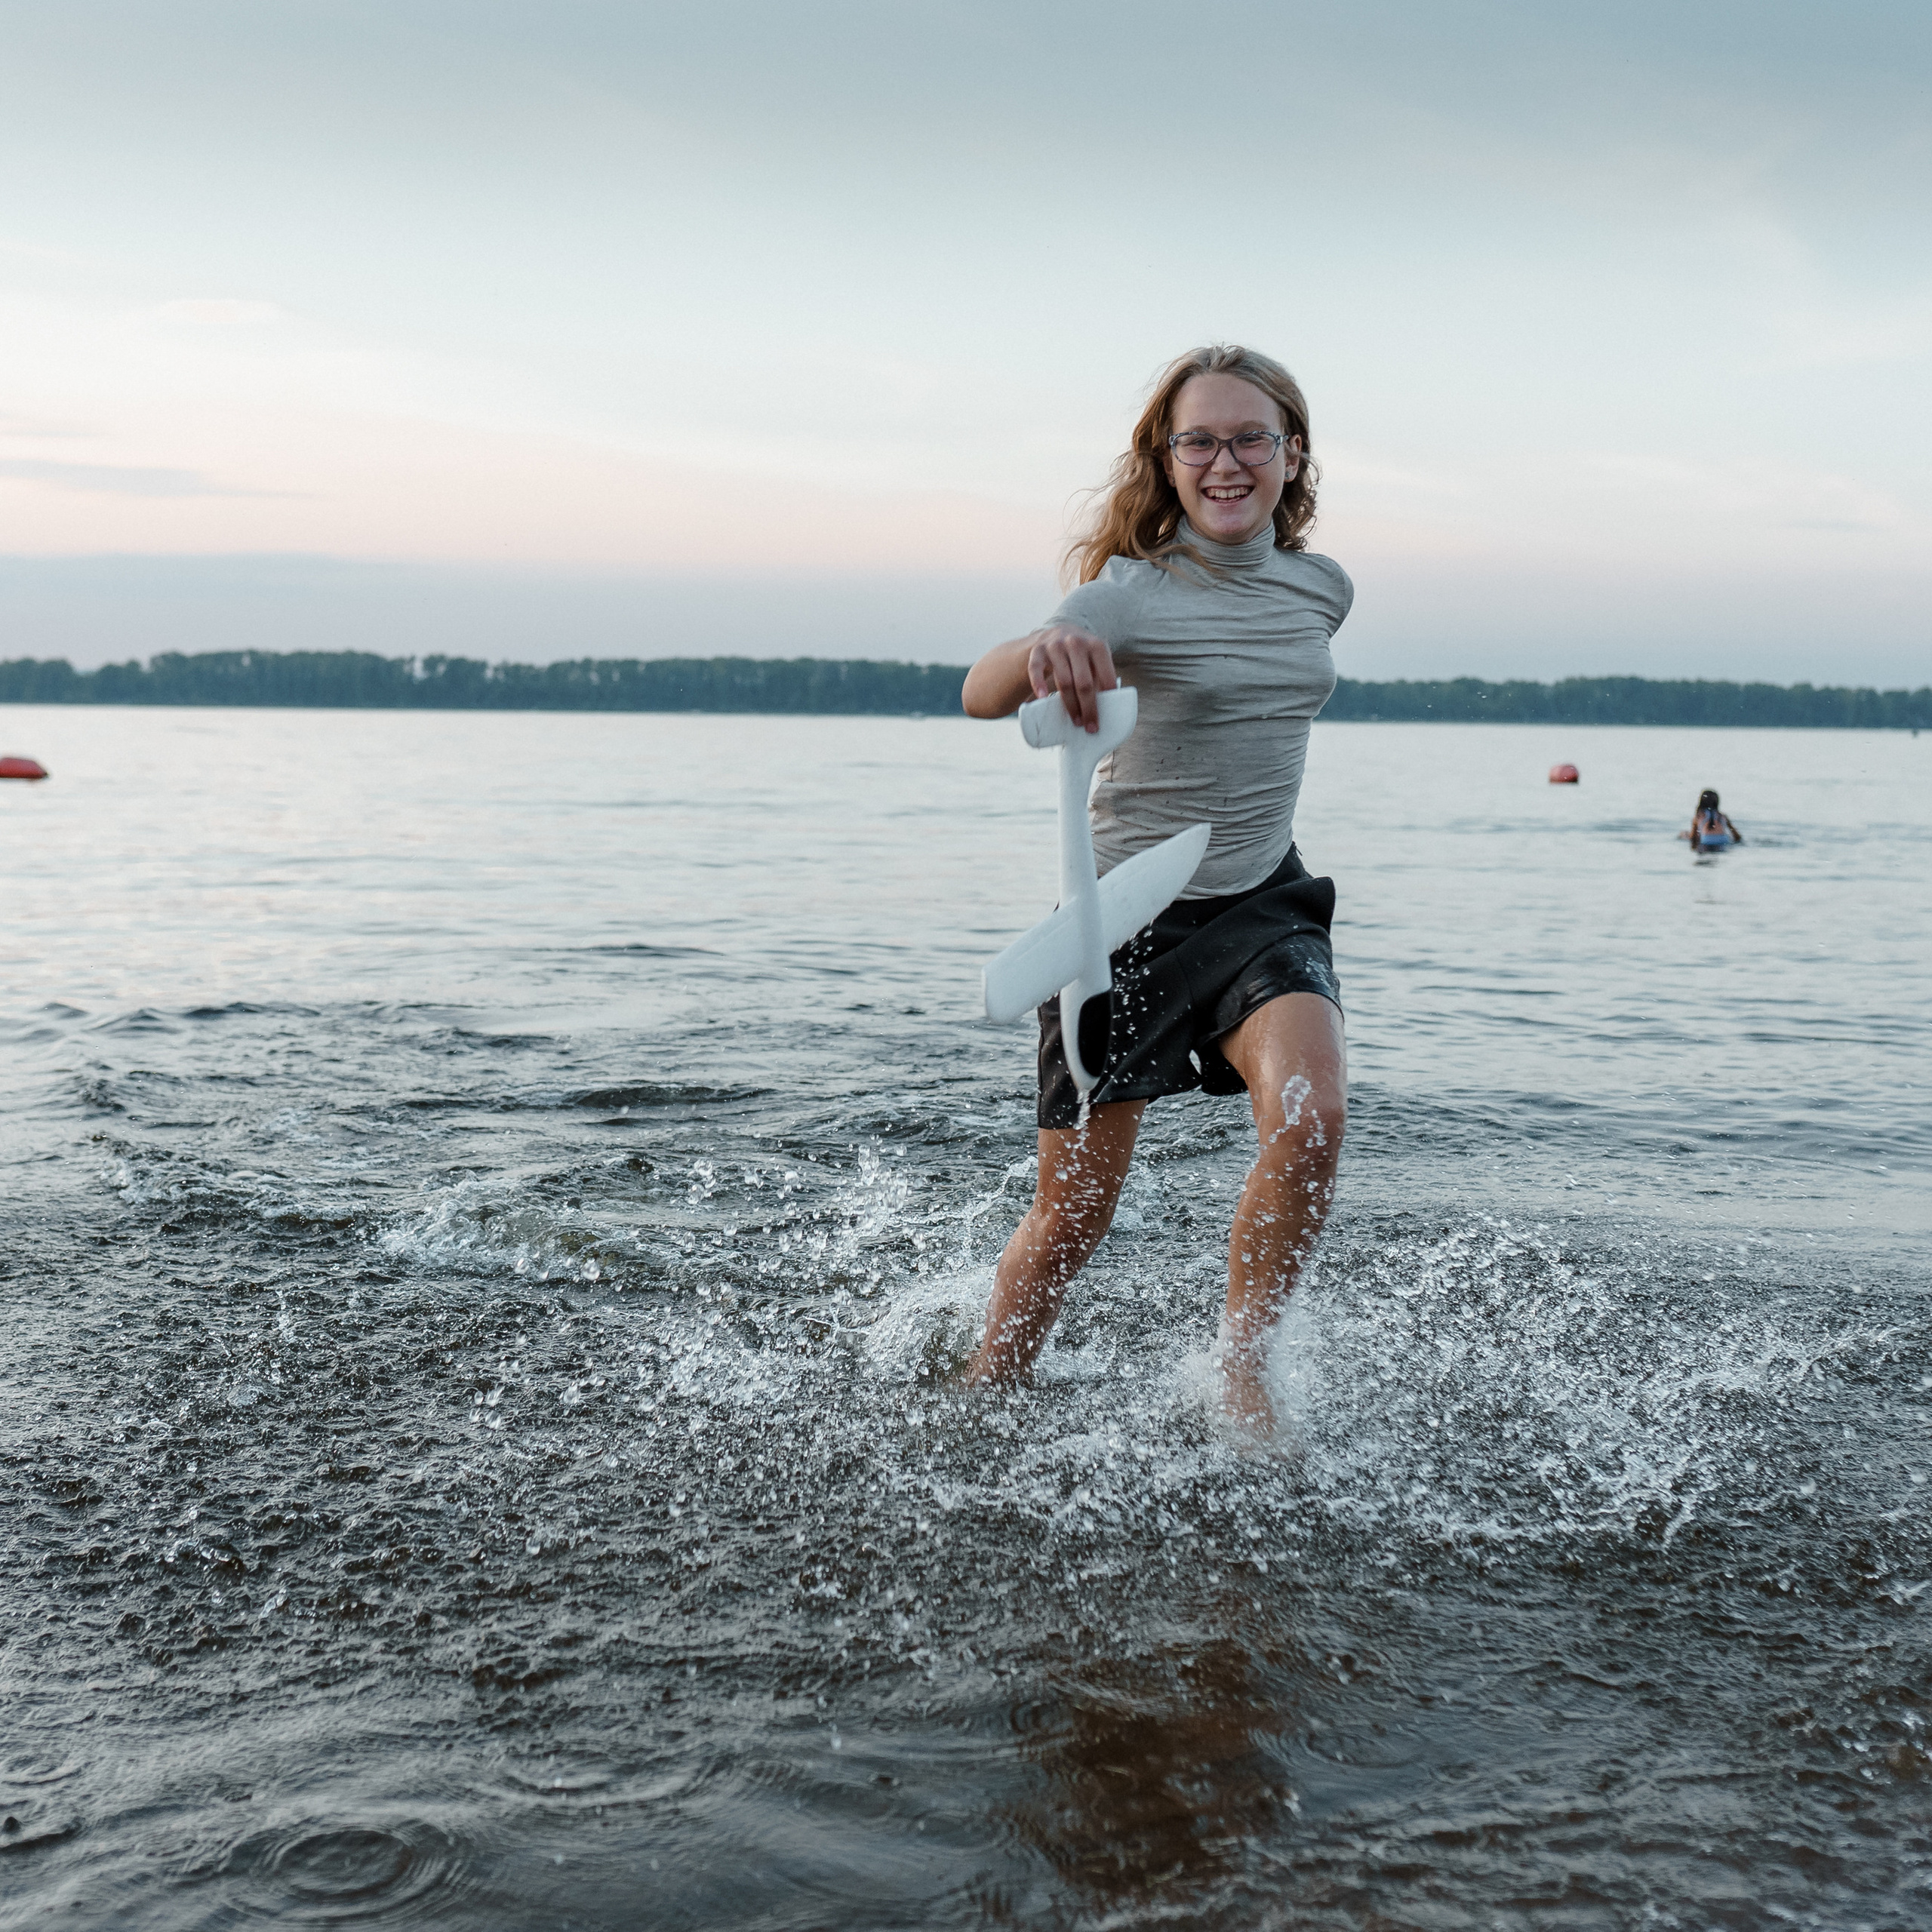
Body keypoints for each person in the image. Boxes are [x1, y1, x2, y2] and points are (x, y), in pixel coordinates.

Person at [959, 343, 1352, 1437]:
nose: (1225, 462)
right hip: (1123, 919)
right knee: (1075, 1216)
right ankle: (990, 1386)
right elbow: (979, 690)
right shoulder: (1126, 595)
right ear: (1167, 461)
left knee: (1312, 1120)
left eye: (1249, 439)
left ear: (1291, 454)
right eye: (1200, 441)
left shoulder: (1324, 588)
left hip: (1262, 898)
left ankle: (1242, 1371)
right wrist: (1053, 642)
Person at [1680, 789, 1744, 850]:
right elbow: (1737, 837)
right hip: (1723, 841)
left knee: (1684, 834)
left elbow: (1693, 838)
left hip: (1706, 841)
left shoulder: (1698, 817)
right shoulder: (1723, 816)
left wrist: (1685, 836)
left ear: (1701, 802)